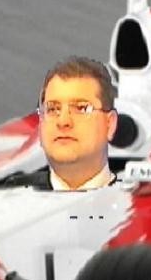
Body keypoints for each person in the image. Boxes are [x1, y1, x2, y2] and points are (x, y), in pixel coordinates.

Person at [35, 56, 119, 190]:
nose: (63, 121)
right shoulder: (10, 196)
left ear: (110, 124)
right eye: (53, 109)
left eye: (81, 108)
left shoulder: (134, 199)